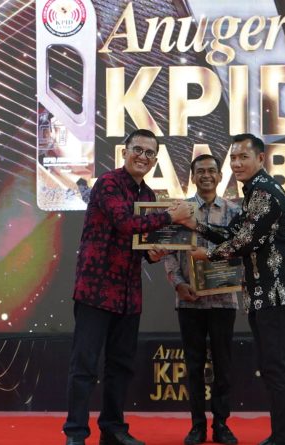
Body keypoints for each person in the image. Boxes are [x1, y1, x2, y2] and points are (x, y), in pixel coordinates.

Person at [63, 129, 195, 445]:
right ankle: (76, 433)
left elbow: (139, 242)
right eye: (138, 149)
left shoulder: (148, 195)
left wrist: (153, 253)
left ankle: (112, 429)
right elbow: (125, 223)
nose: (143, 157)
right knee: (85, 365)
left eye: (150, 153)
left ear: (155, 160)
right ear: (125, 152)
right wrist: (170, 216)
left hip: (128, 294)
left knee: (121, 366)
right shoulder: (108, 183)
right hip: (96, 290)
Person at [185, 134, 285, 445]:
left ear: (261, 159)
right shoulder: (253, 192)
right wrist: (197, 226)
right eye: (234, 158)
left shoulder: (263, 192)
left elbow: (244, 241)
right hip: (265, 295)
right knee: (273, 367)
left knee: (277, 367)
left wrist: (207, 254)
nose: (237, 163)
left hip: (277, 294)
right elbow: (234, 231)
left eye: (243, 157)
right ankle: (284, 435)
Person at [163, 154, 241, 445]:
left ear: (220, 177)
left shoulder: (234, 212)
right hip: (189, 301)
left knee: (223, 366)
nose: (206, 175)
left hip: (224, 301)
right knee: (194, 367)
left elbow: (241, 251)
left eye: (211, 171)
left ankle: (221, 425)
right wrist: (178, 284)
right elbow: (169, 253)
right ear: (192, 177)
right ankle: (197, 426)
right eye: (200, 171)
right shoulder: (180, 212)